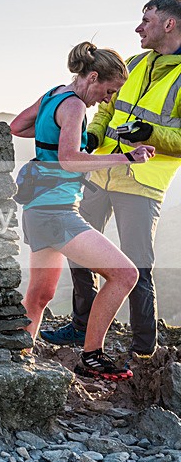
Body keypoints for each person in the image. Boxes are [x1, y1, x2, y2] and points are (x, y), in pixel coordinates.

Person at [41, 0, 181, 361]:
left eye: (146, 20)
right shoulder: (132, 63)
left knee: (136, 265)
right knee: (79, 248)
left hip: (143, 181)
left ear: (169, 24)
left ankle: (142, 347)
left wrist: (148, 134)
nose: (139, 27)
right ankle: (80, 326)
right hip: (100, 171)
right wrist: (88, 139)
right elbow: (106, 109)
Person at [10, 42, 155, 381]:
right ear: (92, 77)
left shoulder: (54, 95)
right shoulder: (74, 105)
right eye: (109, 90)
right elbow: (69, 160)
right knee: (125, 274)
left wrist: (55, 133)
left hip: (37, 208)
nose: (107, 98)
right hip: (58, 211)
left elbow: (17, 126)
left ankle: (20, 358)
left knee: (41, 293)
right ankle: (91, 357)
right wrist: (126, 157)